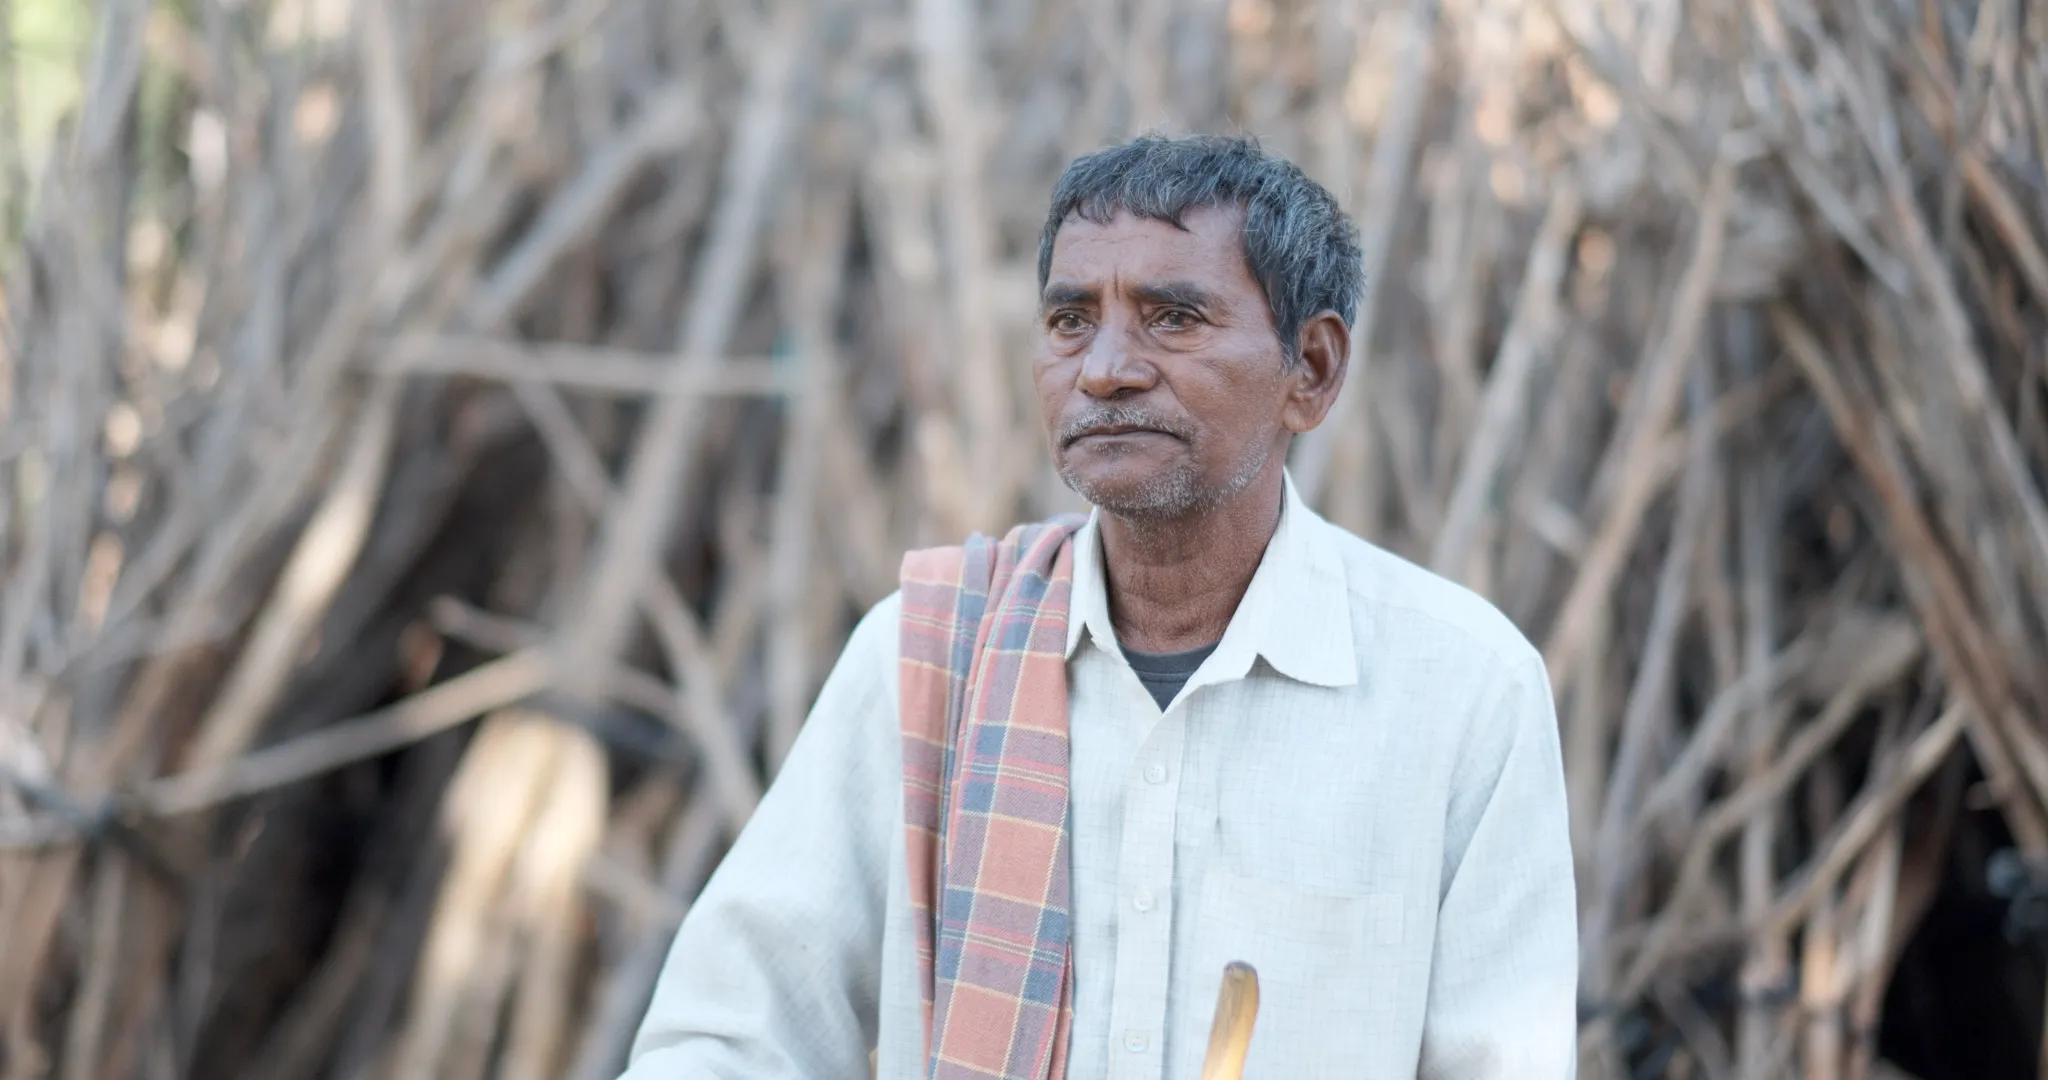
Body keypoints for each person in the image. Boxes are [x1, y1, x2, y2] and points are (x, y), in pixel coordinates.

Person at [620, 133, 1578, 1079]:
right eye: (1071, 320)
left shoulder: (1460, 692)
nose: (1104, 368)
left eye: (1173, 317)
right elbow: (729, 1038)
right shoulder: (932, 660)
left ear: (1312, 371)